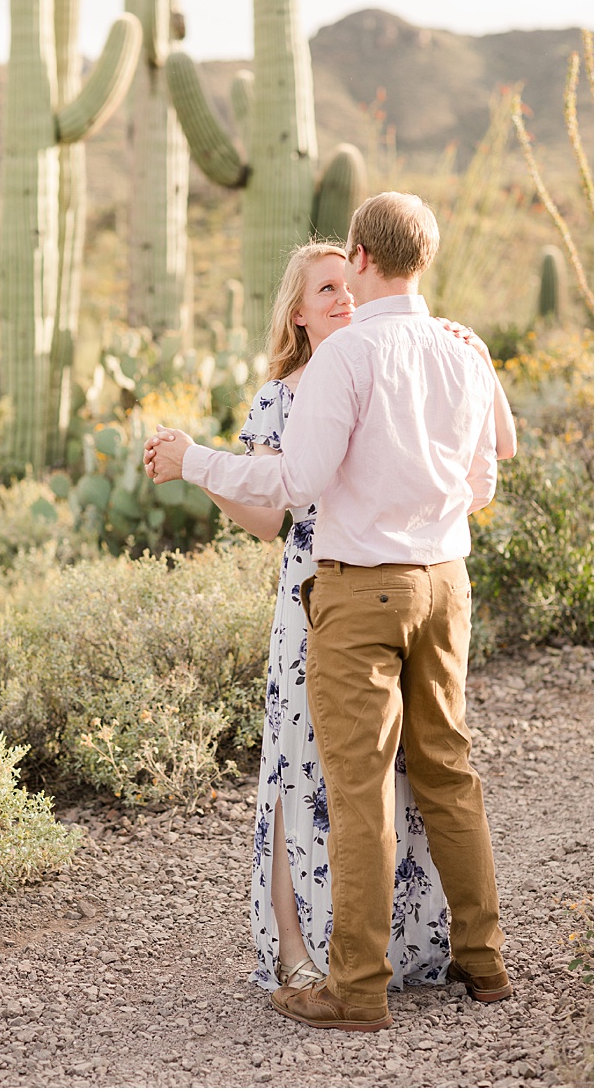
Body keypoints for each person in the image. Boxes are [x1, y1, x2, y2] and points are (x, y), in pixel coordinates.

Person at [145, 193, 513, 1032]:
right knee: (449, 770)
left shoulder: (350, 358)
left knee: (355, 788)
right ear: (424, 257)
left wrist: (195, 458)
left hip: (359, 587)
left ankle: (357, 987)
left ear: (361, 254)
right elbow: (487, 479)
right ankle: (485, 962)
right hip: (446, 578)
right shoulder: (463, 348)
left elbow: (293, 484)